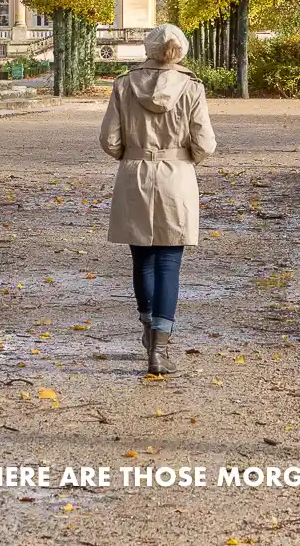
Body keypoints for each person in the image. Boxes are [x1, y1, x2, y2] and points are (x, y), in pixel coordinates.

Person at [99, 23, 217, 375]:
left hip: (135, 173)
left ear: (147, 49)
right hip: (175, 175)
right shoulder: (192, 87)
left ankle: (148, 335)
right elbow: (205, 143)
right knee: (169, 262)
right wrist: (184, 158)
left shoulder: (123, 85)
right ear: (180, 51)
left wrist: (131, 152)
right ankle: (160, 350)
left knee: (143, 260)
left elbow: (109, 139)